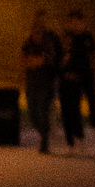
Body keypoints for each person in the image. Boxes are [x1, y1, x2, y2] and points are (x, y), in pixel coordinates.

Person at [26, 15, 65, 151]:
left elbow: (48, 60)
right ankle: (43, 131)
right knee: (32, 110)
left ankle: (44, 140)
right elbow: (24, 61)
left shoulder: (50, 41)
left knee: (43, 109)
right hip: (32, 81)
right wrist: (34, 61)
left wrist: (36, 61)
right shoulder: (28, 42)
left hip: (46, 81)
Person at [62, 10, 95, 134]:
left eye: (78, 22)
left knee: (91, 98)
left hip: (86, 72)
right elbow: (62, 54)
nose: (76, 25)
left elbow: (93, 54)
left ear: (83, 23)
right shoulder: (67, 37)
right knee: (75, 102)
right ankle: (78, 129)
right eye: (73, 22)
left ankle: (94, 122)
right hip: (73, 73)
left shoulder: (87, 37)